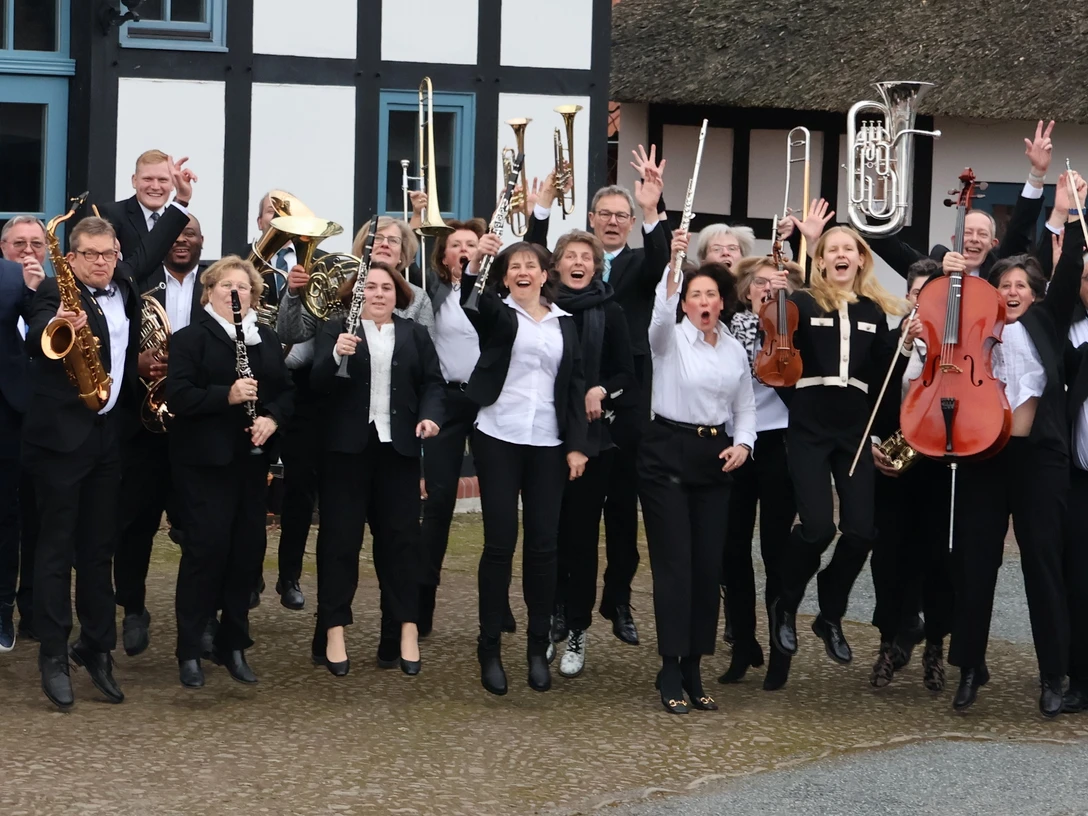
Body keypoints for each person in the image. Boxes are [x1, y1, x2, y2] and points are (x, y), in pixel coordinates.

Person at [948, 181, 1084, 716]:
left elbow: (1069, 270)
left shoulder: (1047, 321)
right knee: (975, 564)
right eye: (1003, 283)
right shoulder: (978, 327)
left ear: (1035, 293)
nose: (1010, 290)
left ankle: (1054, 673)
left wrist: (1068, 216)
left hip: (1039, 460)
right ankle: (969, 669)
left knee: (1042, 565)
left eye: (1020, 284)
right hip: (986, 458)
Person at [526, 150, 671, 646]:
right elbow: (531, 266)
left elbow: (660, 259)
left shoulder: (637, 263)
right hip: (573, 397)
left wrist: (653, 209)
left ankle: (619, 598)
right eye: (604, 215)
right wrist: (540, 212)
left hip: (625, 395)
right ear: (590, 220)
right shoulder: (570, 264)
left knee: (625, 512)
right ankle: (568, 606)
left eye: (621, 216)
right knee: (575, 513)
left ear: (629, 224)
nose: (611, 222)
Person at [769, 226, 918, 670]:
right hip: (811, 427)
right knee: (817, 528)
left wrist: (904, 346)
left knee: (861, 531)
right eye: (831, 249)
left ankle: (829, 614)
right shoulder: (800, 302)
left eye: (848, 249)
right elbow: (778, 360)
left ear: (860, 259)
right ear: (820, 259)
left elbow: (881, 377)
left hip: (854, 430)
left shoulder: (874, 309)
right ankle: (786, 604)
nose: (840, 255)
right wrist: (775, 298)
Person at [23, 216, 142, 710]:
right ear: (70, 258)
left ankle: (96, 648)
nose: (101, 262)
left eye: (108, 253)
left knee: (98, 549)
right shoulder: (54, 290)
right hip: (59, 442)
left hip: (106, 438)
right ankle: (53, 654)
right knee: (55, 549)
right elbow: (37, 338)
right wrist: (56, 326)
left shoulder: (126, 289)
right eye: (90, 254)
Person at [461, 239, 588, 696]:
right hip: (498, 434)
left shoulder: (565, 324)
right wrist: (475, 263)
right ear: (505, 275)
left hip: (548, 444)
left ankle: (537, 649)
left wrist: (577, 447)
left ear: (544, 273)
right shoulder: (498, 312)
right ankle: (489, 648)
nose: (523, 271)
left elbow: (574, 387)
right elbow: (470, 300)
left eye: (530, 265)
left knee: (543, 547)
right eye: (514, 266)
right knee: (500, 544)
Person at [308, 262, 443, 677]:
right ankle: (333, 631)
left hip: (397, 452)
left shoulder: (414, 334)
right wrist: (334, 355)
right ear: (357, 292)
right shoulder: (336, 329)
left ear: (398, 294)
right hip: (346, 454)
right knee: (340, 544)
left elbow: (434, 383)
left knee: (402, 545)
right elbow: (316, 385)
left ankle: (405, 630)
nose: (379, 293)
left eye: (387, 287)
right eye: (370, 286)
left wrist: (430, 416)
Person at [165, 256, 293, 689]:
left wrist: (272, 418)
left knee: (246, 553)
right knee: (205, 552)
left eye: (243, 287)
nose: (235, 293)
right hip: (204, 464)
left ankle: (233, 642)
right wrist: (228, 395)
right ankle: (189, 649)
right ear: (210, 292)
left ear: (254, 296)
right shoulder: (189, 339)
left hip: (250, 463)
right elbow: (179, 396)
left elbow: (287, 393)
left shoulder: (266, 340)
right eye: (226, 286)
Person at [641, 236, 755, 714]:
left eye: (711, 296)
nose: (704, 303)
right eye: (695, 296)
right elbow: (660, 315)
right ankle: (669, 665)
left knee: (708, 566)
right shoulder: (668, 339)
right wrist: (672, 260)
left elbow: (744, 406)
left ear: (722, 302)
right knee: (675, 564)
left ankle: (694, 664)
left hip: (714, 455)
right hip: (666, 449)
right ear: (684, 302)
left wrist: (744, 444)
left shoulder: (732, 349)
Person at [113, 215, 206, 656]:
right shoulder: (140, 290)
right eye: (177, 234)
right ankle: (133, 608)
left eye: (191, 234)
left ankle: (201, 617)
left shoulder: (218, 287)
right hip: (145, 430)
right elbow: (115, 342)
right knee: (135, 525)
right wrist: (138, 363)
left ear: (202, 242)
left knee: (197, 527)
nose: (183, 241)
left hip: (197, 426)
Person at [550, 230, 636, 678]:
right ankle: (551, 619)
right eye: (570, 256)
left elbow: (628, 371)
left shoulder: (611, 310)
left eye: (587, 256)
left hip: (596, 441)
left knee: (582, 538)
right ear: (557, 265)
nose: (579, 262)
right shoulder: (541, 309)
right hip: (546, 436)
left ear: (596, 266)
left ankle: (578, 628)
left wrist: (604, 389)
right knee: (549, 537)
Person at [867, 259, 953, 691]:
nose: (921, 302)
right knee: (889, 559)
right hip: (897, 460)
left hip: (938, 462)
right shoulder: (889, 341)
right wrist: (875, 445)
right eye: (916, 294)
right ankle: (887, 645)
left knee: (937, 558)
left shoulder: (955, 347)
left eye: (930, 294)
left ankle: (934, 647)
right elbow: (873, 405)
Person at [717, 254, 802, 691]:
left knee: (774, 549)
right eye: (760, 284)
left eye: (776, 285)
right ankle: (743, 643)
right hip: (735, 443)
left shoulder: (793, 329)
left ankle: (779, 650)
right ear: (747, 290)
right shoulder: (727, 331)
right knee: (732, 549)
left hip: (779, 441)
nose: (767, 290)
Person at [419, 218, 487, 635]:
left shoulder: (496, 291)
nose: (464, 249)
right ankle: (423, 598)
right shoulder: (434, 292)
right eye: (456, 245)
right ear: (444, 257)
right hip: (446, 400)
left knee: (498, 502)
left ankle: (496, 603)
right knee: (440, 501)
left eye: (472, 244)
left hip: (488, 403)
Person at [0, 216, 47, 644]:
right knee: (7, 516)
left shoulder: (56, 296)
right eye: (19, 243)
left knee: (42, 519)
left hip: (48, 423)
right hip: (6, 420)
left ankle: (34, 610)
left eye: (36, 243)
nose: (28, 251)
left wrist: (36, 295)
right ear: (3, 249)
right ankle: (3, 608)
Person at [98, 149, 178, 261]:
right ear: (134, 181)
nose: (155, 186)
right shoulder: (111, 215)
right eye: (148, 179)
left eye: (162, 180)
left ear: (173, 184)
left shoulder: (178, 220)